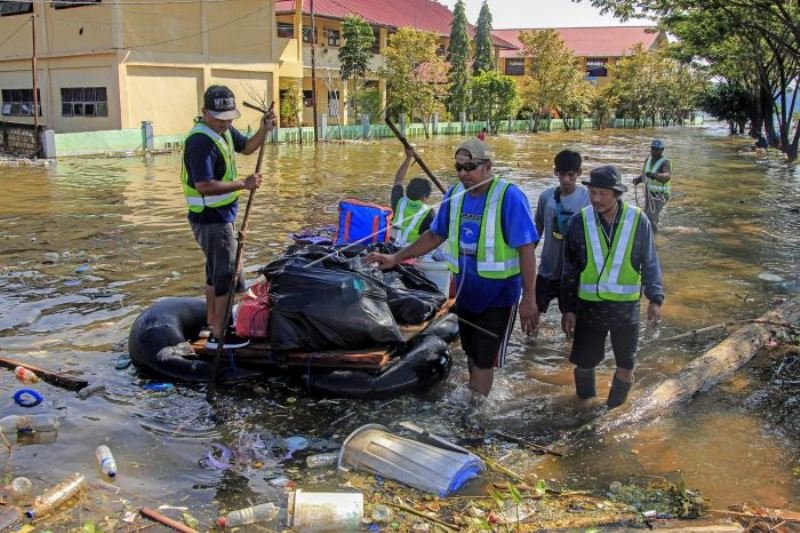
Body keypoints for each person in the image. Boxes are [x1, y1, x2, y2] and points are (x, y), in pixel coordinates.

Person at [367, 138, 540, 397]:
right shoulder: (454, 195)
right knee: (471, 354)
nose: (463, 173)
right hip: (464, 292)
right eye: (458, 168)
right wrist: (396, 258)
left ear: (488, 166)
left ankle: (473, 422)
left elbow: (526, 249)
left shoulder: (509, 197)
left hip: (499, 296)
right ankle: (477, 398)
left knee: (483, 360)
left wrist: (530, 298)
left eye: (469, 167)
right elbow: (435, 236)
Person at [561, 165, 664, 409]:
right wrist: (568, 309)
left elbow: (650, 261)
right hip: (589, 307)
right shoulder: (579, 222)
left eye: (602, 194)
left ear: (616, 194)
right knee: (585, 363)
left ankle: (613, 412)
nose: (596, 199)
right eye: (592, 192)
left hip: (625, 309)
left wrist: (655, 299)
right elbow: (570, 270)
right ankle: (585, 406)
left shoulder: (638, 220)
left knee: (626, 365)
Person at [181, 85, 275, 349]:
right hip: (210, 218)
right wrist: (243, 184)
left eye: (229, 118)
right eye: (220, 119)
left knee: (215, 272)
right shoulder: (200, 141)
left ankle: (213, 322)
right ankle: (221, 333)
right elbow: (204, 185)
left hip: (223, 214)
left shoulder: (223, 131)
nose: (226, 123)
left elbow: (246, 147)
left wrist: (264, 129)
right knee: (226, 274)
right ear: (204, 113)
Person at [534, 149, 590, 316]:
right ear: (555, 172)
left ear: (579, 173)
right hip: (547, 269)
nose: (566, 180)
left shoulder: (587, 199)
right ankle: (531, 343)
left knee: (572, 318)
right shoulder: (546, 197)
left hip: (574, 273)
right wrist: (526, 255)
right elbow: (538, 227)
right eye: (561, 174)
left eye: (571, 175)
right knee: (533, 313)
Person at [391, 146, 435, 246]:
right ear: (424, 197)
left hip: (391, 246)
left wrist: (408, 158)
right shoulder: (429, 212)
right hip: (411, 252)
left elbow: (398, 180)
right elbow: (432, 237)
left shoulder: (398, 201)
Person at [632, 139, 671, 232]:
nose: (654, 151)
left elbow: (667, 175)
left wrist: (656, 175)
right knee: (646, 215)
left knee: (650, 218)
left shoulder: (665, 162)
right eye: (653, 149)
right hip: (649, 194)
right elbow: (644, 175)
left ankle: (654, 238)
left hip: (661, 195)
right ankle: (649, 232)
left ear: (662, 150)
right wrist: (638, 180)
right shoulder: (648, 160)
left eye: (657, 149)